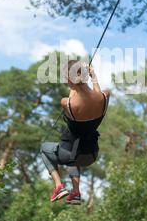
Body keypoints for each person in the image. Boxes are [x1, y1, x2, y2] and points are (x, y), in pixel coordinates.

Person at [40, 60, 110, 205]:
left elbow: (74, 97)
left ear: (69, 81)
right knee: (74, 151)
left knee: (45, 148)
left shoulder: (67, 103)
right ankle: (76, 193)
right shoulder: (105, 96)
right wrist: (93, 76)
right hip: (91, 155)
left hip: (71, 154)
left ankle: (59, 186)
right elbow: (94, 92)